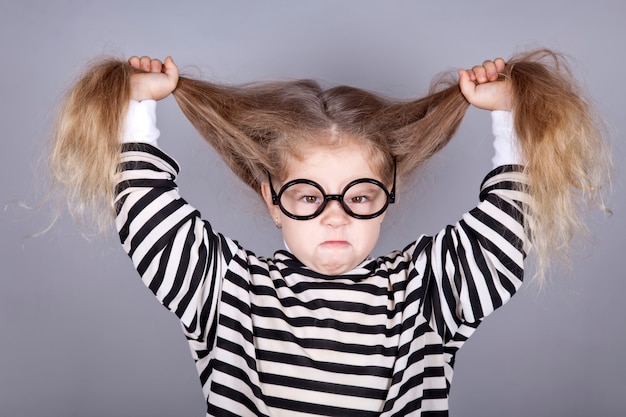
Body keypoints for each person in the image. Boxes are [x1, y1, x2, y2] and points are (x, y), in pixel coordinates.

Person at [49, 50, 610, 416]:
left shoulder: (426, 291)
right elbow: (150, 216)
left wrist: (512, 116)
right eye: (308, 197)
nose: (335, 216)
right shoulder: (229, 291)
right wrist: (137, 108)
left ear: (387, 200)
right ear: (273, 202)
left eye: (360, 197)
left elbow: (506, 230)